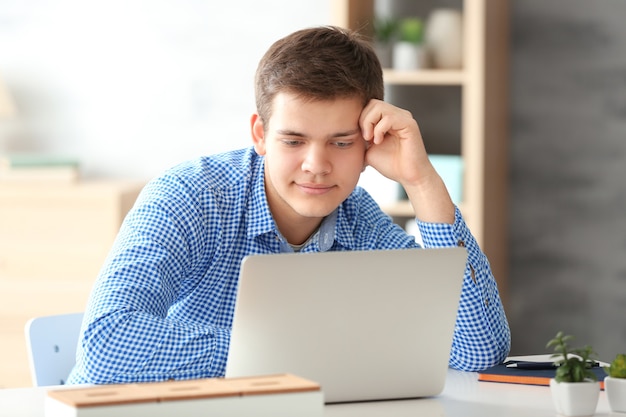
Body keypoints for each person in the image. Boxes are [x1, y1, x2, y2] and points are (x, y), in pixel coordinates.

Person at [67, 26, 510, 384]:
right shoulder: (190, 196)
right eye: (294, 140)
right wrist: (299, 353)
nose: (316, 166)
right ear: (260, 134)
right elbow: (108, 344)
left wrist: (422, 182)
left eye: (341, 142)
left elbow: (476, 351)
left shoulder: (361, 220)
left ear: (369, 142)